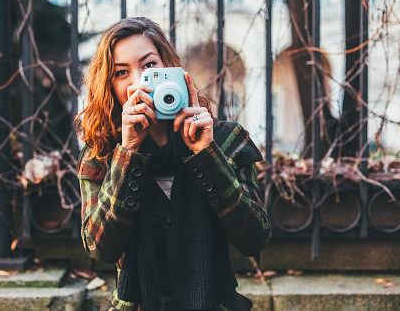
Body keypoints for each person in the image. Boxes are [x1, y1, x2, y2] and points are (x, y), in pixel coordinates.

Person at [76, 17, 270, 311]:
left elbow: (255, 238)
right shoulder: (102, 154)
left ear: (171, 68)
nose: (138, 82)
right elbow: (100, 247)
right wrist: (129, 152)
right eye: (121, 72)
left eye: (149, 66)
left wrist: (207, 154)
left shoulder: (226, 140)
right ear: (110, 86)